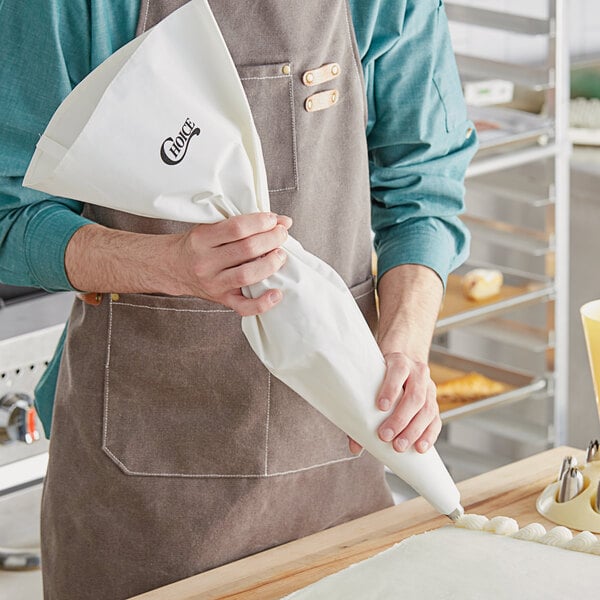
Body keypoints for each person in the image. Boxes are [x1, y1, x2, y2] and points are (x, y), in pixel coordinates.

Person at [0, 0, 477, 598]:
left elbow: (423, 186)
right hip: (139, 492)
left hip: (338, 460)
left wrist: (403, 347)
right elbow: (8, 213)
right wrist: (169, 263)